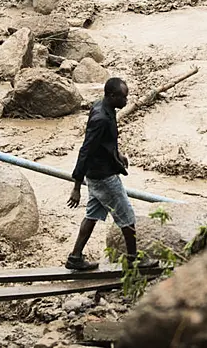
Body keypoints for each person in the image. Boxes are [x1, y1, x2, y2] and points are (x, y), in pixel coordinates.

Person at [66, 78, 158, 270]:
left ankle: (75, 257)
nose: (127, 101)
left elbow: (104, 142)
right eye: (124, 97)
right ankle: (134, 260)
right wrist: (76, 186)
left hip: (98, 173)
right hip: (104, 177)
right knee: (127, 216)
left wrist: (118, 154)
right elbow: (86, 150)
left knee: (92, 215)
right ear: (112, 96)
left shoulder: (105, 107)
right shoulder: (100, 118)